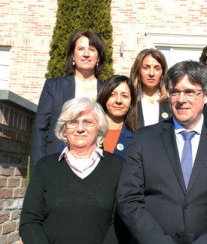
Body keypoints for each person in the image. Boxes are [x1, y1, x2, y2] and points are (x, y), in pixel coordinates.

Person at [117, 61, 207, 244]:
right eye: (175, 92)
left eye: (189, 92)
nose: (181, 99)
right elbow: (129, 198)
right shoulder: (144, 139)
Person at [20, 97, 122, 243]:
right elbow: (30, 221)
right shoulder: (45, 166)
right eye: (73, 122)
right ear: (64, 128)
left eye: (87, 122)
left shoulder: (117, 166)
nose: (80, 128)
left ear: (99, 128)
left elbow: (120, 221)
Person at [30, 30, 106, 171]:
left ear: (99, 57)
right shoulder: (53, 86)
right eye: (81, 49)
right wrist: (39, 170)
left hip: (95, 166)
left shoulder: (106, 90)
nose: (86, 54)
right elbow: (40, 130)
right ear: (72, 55)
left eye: (92, 49)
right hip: (57, 163)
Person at [130, 48, 171, 128]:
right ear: (138, 71)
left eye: (157, 68)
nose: (151, 73)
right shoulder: (130, 101)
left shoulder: (170, 103)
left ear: (163, 72)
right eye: (146, 67)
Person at [97, 75, 137, 158]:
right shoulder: (89, 131)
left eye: (124, 96)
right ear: (104, 97)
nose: (118, 101)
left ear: (131, 102)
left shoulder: (137, 138)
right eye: (112, 94)